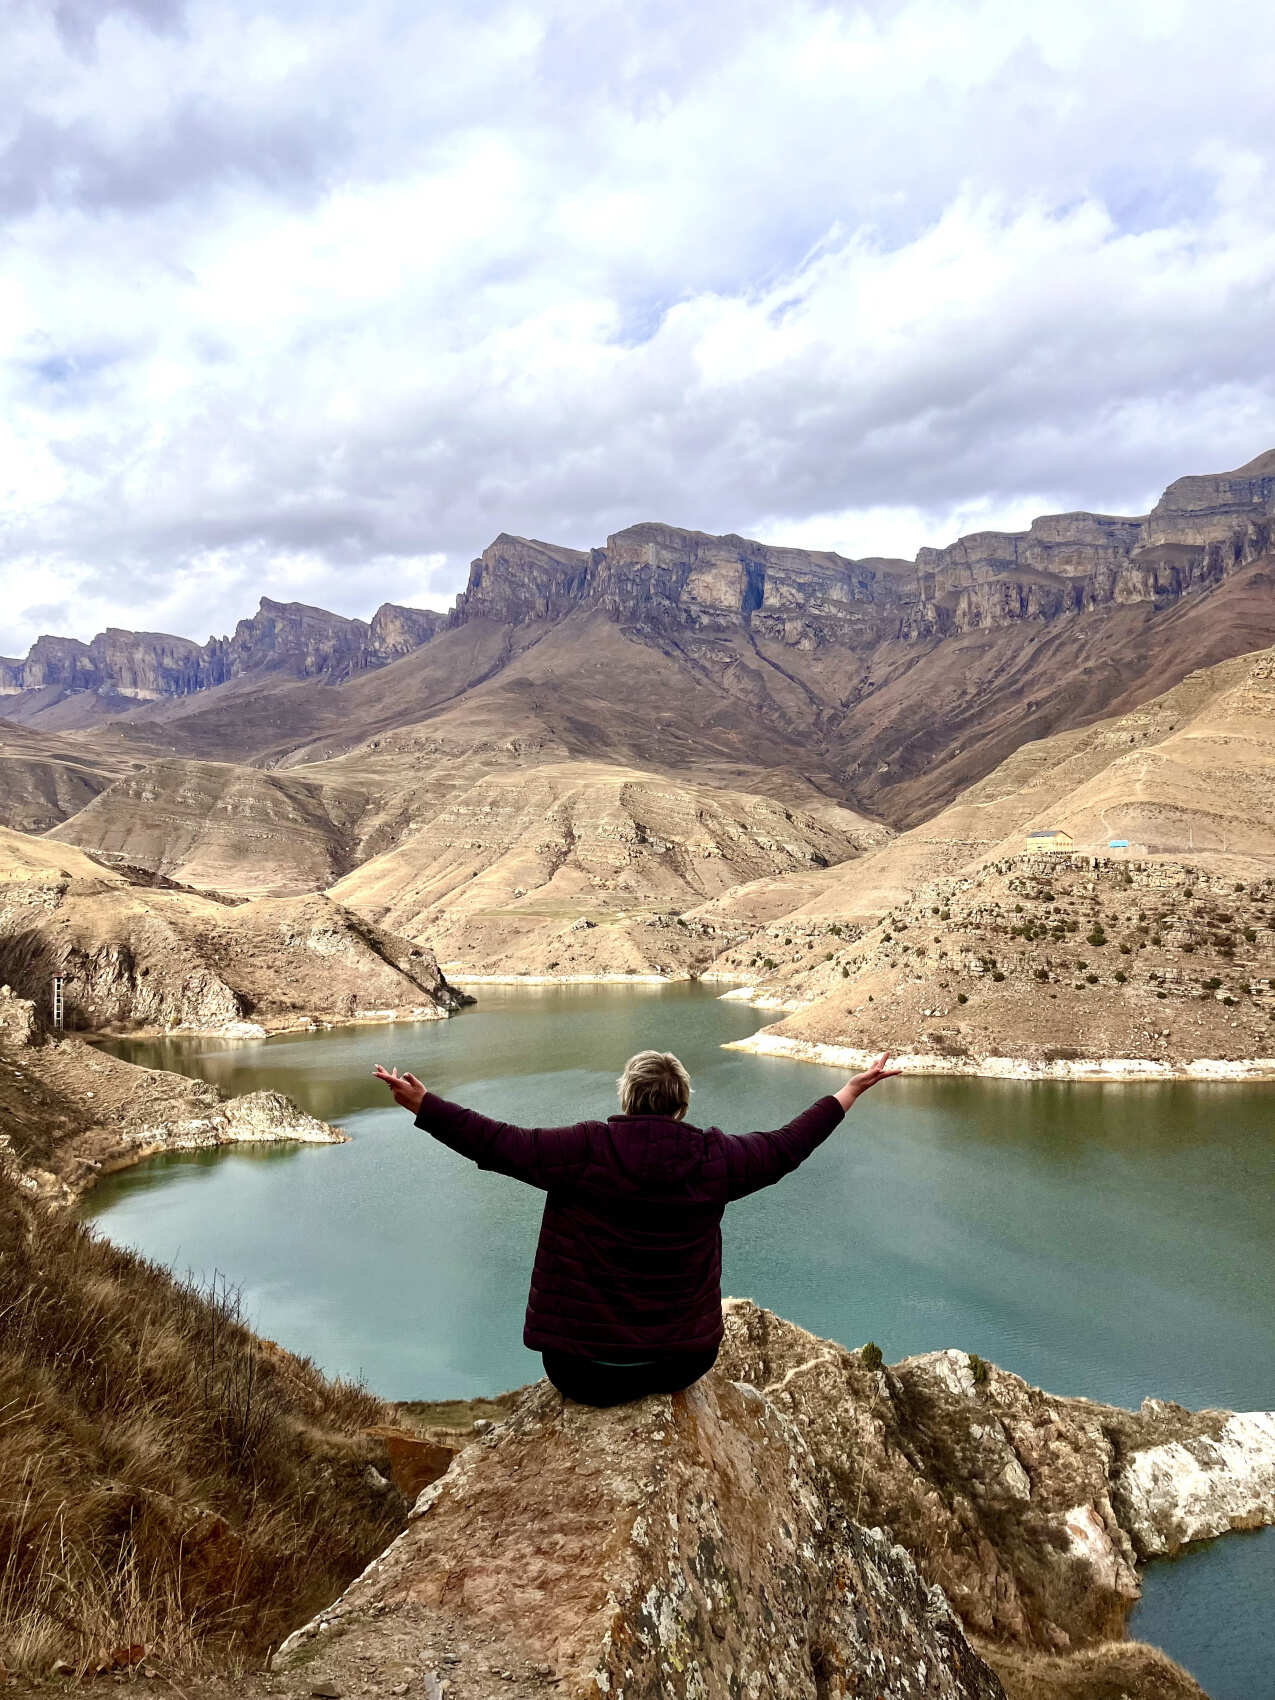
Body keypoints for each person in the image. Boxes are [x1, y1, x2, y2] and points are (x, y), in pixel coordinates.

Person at [373, 1048, 901, 1408]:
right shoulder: (715, 1158)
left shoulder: (581, 1148)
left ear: (626, 1098)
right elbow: (788, 1145)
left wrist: (426, 1105)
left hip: (581, 1372)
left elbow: (496, 1142)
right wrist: (847, 1092)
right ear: (682, 1104)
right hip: (682, 1362)